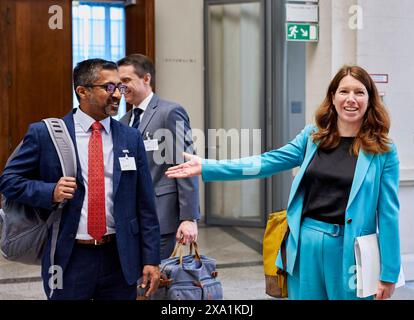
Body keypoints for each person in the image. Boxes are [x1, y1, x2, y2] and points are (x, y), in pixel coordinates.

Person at [166, 65, 401, 300]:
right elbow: (267, 162)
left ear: (370, 99)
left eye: (359, 92)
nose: (351, 99)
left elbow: (389, 214)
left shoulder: (382, 150)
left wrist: (389, 273)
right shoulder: (313, 137)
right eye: (344, 91)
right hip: (305, 246)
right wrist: (208, 167)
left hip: (351, 251)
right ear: (332, 96)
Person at [0, 58, 161, 300]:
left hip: (119, 257)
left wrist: (151, 259)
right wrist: (49, 191)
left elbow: (145, 203)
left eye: (120, 87)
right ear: (82, 91)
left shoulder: (130, 137)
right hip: (69, 256)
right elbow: (9, 180)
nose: (117, 94)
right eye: (109, 87)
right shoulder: (46, 134)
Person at [117, 54, 200, 260]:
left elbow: (185, 163)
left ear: (146, 79)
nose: (121, 88)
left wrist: (189, 218)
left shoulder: (169, 112)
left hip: (163, 218)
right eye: (119, 83)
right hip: (133, 220)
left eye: (126, 81)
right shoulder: (123, 121)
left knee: (160, 281)